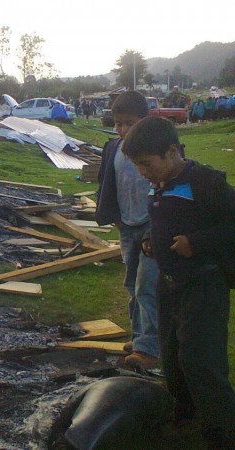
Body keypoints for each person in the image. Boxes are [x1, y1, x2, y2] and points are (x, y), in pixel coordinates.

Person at [122, 116, 235, 449]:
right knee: (172, 356)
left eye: (146, 164)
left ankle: (222, 430)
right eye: (137, 165)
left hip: (204, 283)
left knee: (201, 359)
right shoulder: (161, 183)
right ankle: (185, 415)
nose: (142, 171)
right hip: (170, 285)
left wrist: (195, 243)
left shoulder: (205, 181)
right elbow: (164, 220)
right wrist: (149, 239)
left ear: (172, 151)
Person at [95, 91, 160, 370]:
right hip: (127, 226)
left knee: (148, 287)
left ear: (145, 120)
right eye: (118, 124)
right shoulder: (113, 148)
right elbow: (107, 183)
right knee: (132, 285)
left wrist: (158, 225)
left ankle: (151, 348)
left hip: (152, 227)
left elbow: (169, 184)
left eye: (129, 123)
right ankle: (139, 336)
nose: (122, 130)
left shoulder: (158, 149)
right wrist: (114, 218)